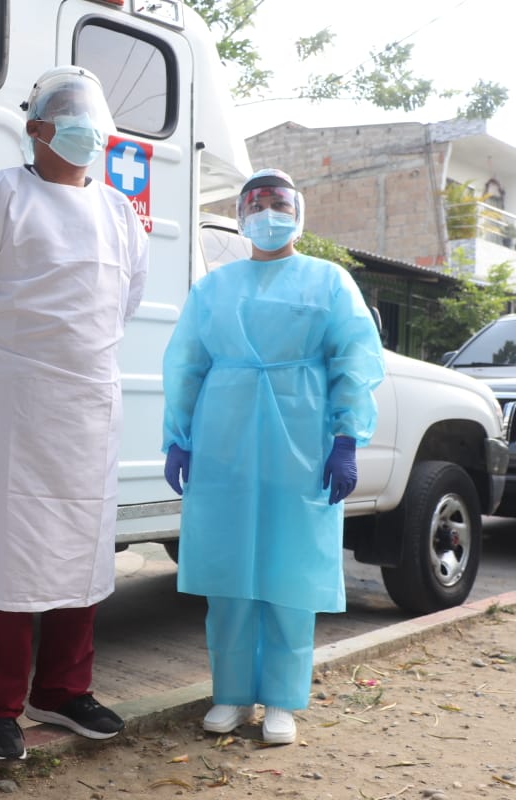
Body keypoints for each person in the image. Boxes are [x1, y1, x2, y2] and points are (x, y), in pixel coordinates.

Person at [0, 65, 149, 761]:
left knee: (79, 555)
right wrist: (4, 357)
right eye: (71, 117)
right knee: (8, 555)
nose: (89, 132)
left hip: (87, 408)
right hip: (16, 404)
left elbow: (126, 302)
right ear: (35, 130)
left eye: (94, 118)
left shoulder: (120, 213)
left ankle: (62, 691)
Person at [160, 168, 384, 745]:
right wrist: (178, 436)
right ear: (239, 217)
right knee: (229, 571)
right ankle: (231, 694)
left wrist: (345, 440)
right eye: (255, 203)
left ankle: (283, 698)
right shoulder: (214, 287)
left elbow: (354, 362)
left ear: (298, 212)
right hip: (224, 438)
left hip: (302, 438)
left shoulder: (328, 282)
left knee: (292, 570)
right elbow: (186, 362)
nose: (266, 212)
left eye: (277, 202)